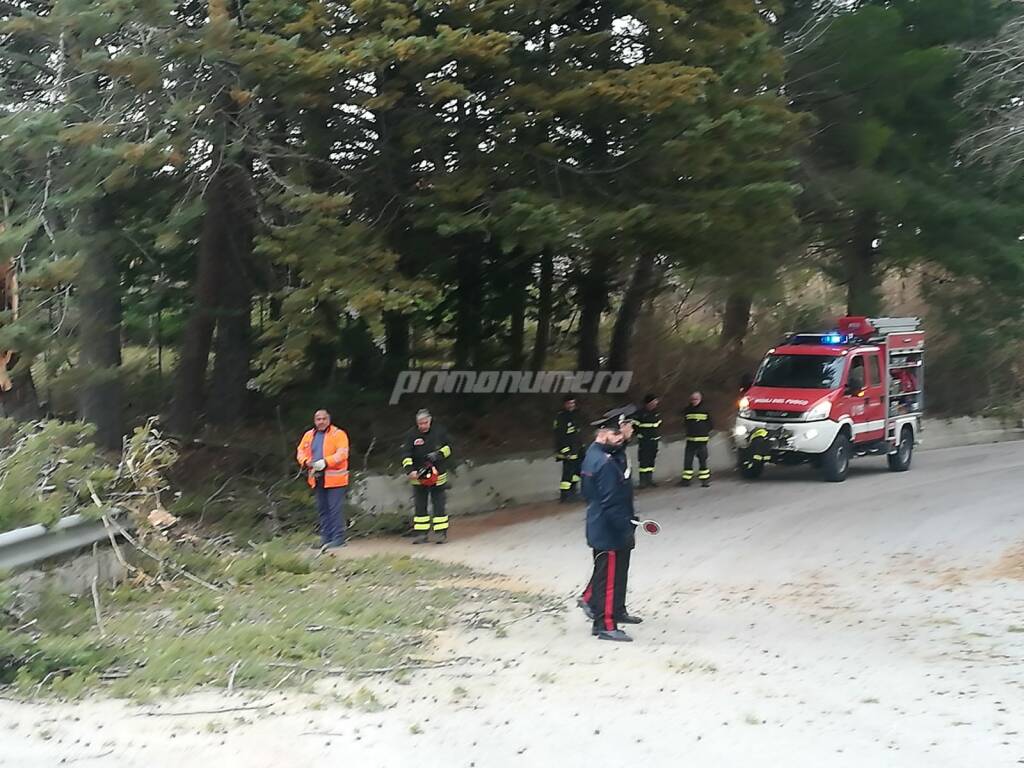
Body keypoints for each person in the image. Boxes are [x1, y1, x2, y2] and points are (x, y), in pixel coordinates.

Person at [578, 405, 643, 642]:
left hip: (606, 524)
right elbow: (610, 502)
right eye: (621, 431)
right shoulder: (605, 462)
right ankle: (605, 624)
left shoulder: (602, 454)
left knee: (612, 574)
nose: (624, 436)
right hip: (609, 528)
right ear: (605, 433)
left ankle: (611, 613)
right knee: (608, 578)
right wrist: (625, 527)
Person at [295, 409, 350, 549]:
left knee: (334, 509)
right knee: (323, 509)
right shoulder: (308, 435)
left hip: (335, 480)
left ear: (329, 420)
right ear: (314, 421)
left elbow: (342, 453)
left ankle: (338, 538)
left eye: (324, 418)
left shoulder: (338, 434)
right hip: (317, 478)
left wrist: (326, 462)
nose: (321, 421)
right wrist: (306, 462)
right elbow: (300, 451)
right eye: (318, 419)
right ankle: (326, 538)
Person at [401, 409, 453, 544]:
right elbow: (406, 454)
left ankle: (441, 533)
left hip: (438, 473)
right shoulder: (411, 435)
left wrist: (438, 455)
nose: (423, 426)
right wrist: (409, 470)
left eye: (425, 423)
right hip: (419, 475)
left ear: (430, 420)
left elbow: (449, 447)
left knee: (439, 504)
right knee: (420, 505)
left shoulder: (439, 432)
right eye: (420, 423)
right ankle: (421, 534)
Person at [553, 396, 584, 503]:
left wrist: (582, 446)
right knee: (568, 472)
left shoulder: (576, 414)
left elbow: (578, 432)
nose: (571, 405)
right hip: (568, 450)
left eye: (573, 403)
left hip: (577, 448)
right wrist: (565, 450)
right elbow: (559, 436)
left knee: (577, 471)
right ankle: (565, 496)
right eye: (569, 403)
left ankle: (573, 491)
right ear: (565, 404)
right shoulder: (561, 417)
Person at [681, 391, 713, 488]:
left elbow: (710, 424)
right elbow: (685, 422)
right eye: (692, 399)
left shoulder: (705, 410)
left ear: (700, 399)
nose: (694, 401)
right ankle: (686, 480)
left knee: (703, 461)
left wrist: (704, 432)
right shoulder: (687, 410)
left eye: (696, 399)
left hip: (702, 440)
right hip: (690, 440)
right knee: (688, 461)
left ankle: (704, 480)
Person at [632, 393, 662, 487]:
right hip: (645, 440)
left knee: (651, 460)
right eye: (654, 401)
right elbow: (634, 426)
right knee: (644, 460)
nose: (656, 403)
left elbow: (658, 425)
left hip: (654, 440)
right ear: (648, 403)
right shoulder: (640, 413)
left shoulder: (656, 413)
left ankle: (650, 480)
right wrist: (639, 435)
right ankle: (643, 481)